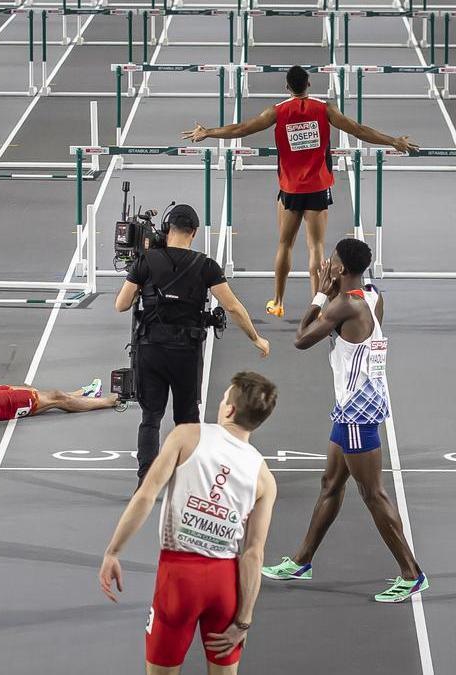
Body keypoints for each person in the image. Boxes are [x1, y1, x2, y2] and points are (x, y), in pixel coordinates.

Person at [261, 238, 427, 602]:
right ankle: (302, 560)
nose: (326, 266)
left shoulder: (343, 305)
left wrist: (320, 296)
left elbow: (301, 338)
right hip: (359, 402)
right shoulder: (372, 296)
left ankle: (411, 573)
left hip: (356, 410)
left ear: (341, 269)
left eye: (331, 262)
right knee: (330, 483)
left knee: (372, 493)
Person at [181, 65, 418, 318]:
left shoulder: (277, 111)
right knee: (316, 248)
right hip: (317, 187)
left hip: (290, 189)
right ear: (309, 85)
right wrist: (393, 141)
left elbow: (242, 129)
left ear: (287, 87)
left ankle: (278, 301)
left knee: (285, 245)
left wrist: (208, 132)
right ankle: (316, 308)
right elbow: (358, 129)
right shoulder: (325, 109)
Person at [99, 371, 279, 675]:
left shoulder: (186, 435)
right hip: (224, 584)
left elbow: (146, 495)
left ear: (230, 410)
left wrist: (113, 552)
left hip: (178, 579)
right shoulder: (264, 478)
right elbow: (253, 554)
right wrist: (243, 621)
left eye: (224, 398)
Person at [115, 204, 269, 485]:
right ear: (194, 233)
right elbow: (232, 307)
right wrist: (255, 337)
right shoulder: (205, 266)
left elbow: (121, 305)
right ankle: (189, 480)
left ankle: (145, 480)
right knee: (187, 419)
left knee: (150, 418)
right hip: (185, 353)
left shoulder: (145, 261)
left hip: (150, 349)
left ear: (167, 229)